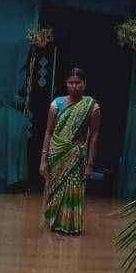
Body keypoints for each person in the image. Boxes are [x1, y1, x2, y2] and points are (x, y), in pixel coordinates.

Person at [40, 67, 100, 236]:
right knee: (55, 190)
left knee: (72, 189)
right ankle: (53, 225)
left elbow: (94, 135)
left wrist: (90, 164)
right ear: (66, 84)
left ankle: (70, 226)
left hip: (76, 156)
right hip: (56, 155)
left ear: (85, 84)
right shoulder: (56, 104)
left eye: (78, 83)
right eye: (71, 83)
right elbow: (48, 132)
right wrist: (43, 159)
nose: (74, 86)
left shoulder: (92, 107)